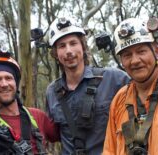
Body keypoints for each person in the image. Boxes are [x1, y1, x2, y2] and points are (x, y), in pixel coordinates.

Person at [103, 17, 158, 155]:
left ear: (156, 51)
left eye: (141, 51)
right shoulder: (120, 100)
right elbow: (109, 151)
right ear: (121, 61)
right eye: (127, 55)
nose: (135, 61)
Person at [46, 17, 130, 155]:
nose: (68, 51)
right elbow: (54, 134)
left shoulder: (113, 78)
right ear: (55, 53)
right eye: (62, 46)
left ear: (83, 46)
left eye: (73, 43)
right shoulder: (52, 92)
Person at [0, 50, 59, 154]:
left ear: (16, 83)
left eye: (9, 78)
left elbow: (68, 135)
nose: (4, 84)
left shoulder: (38, 117)